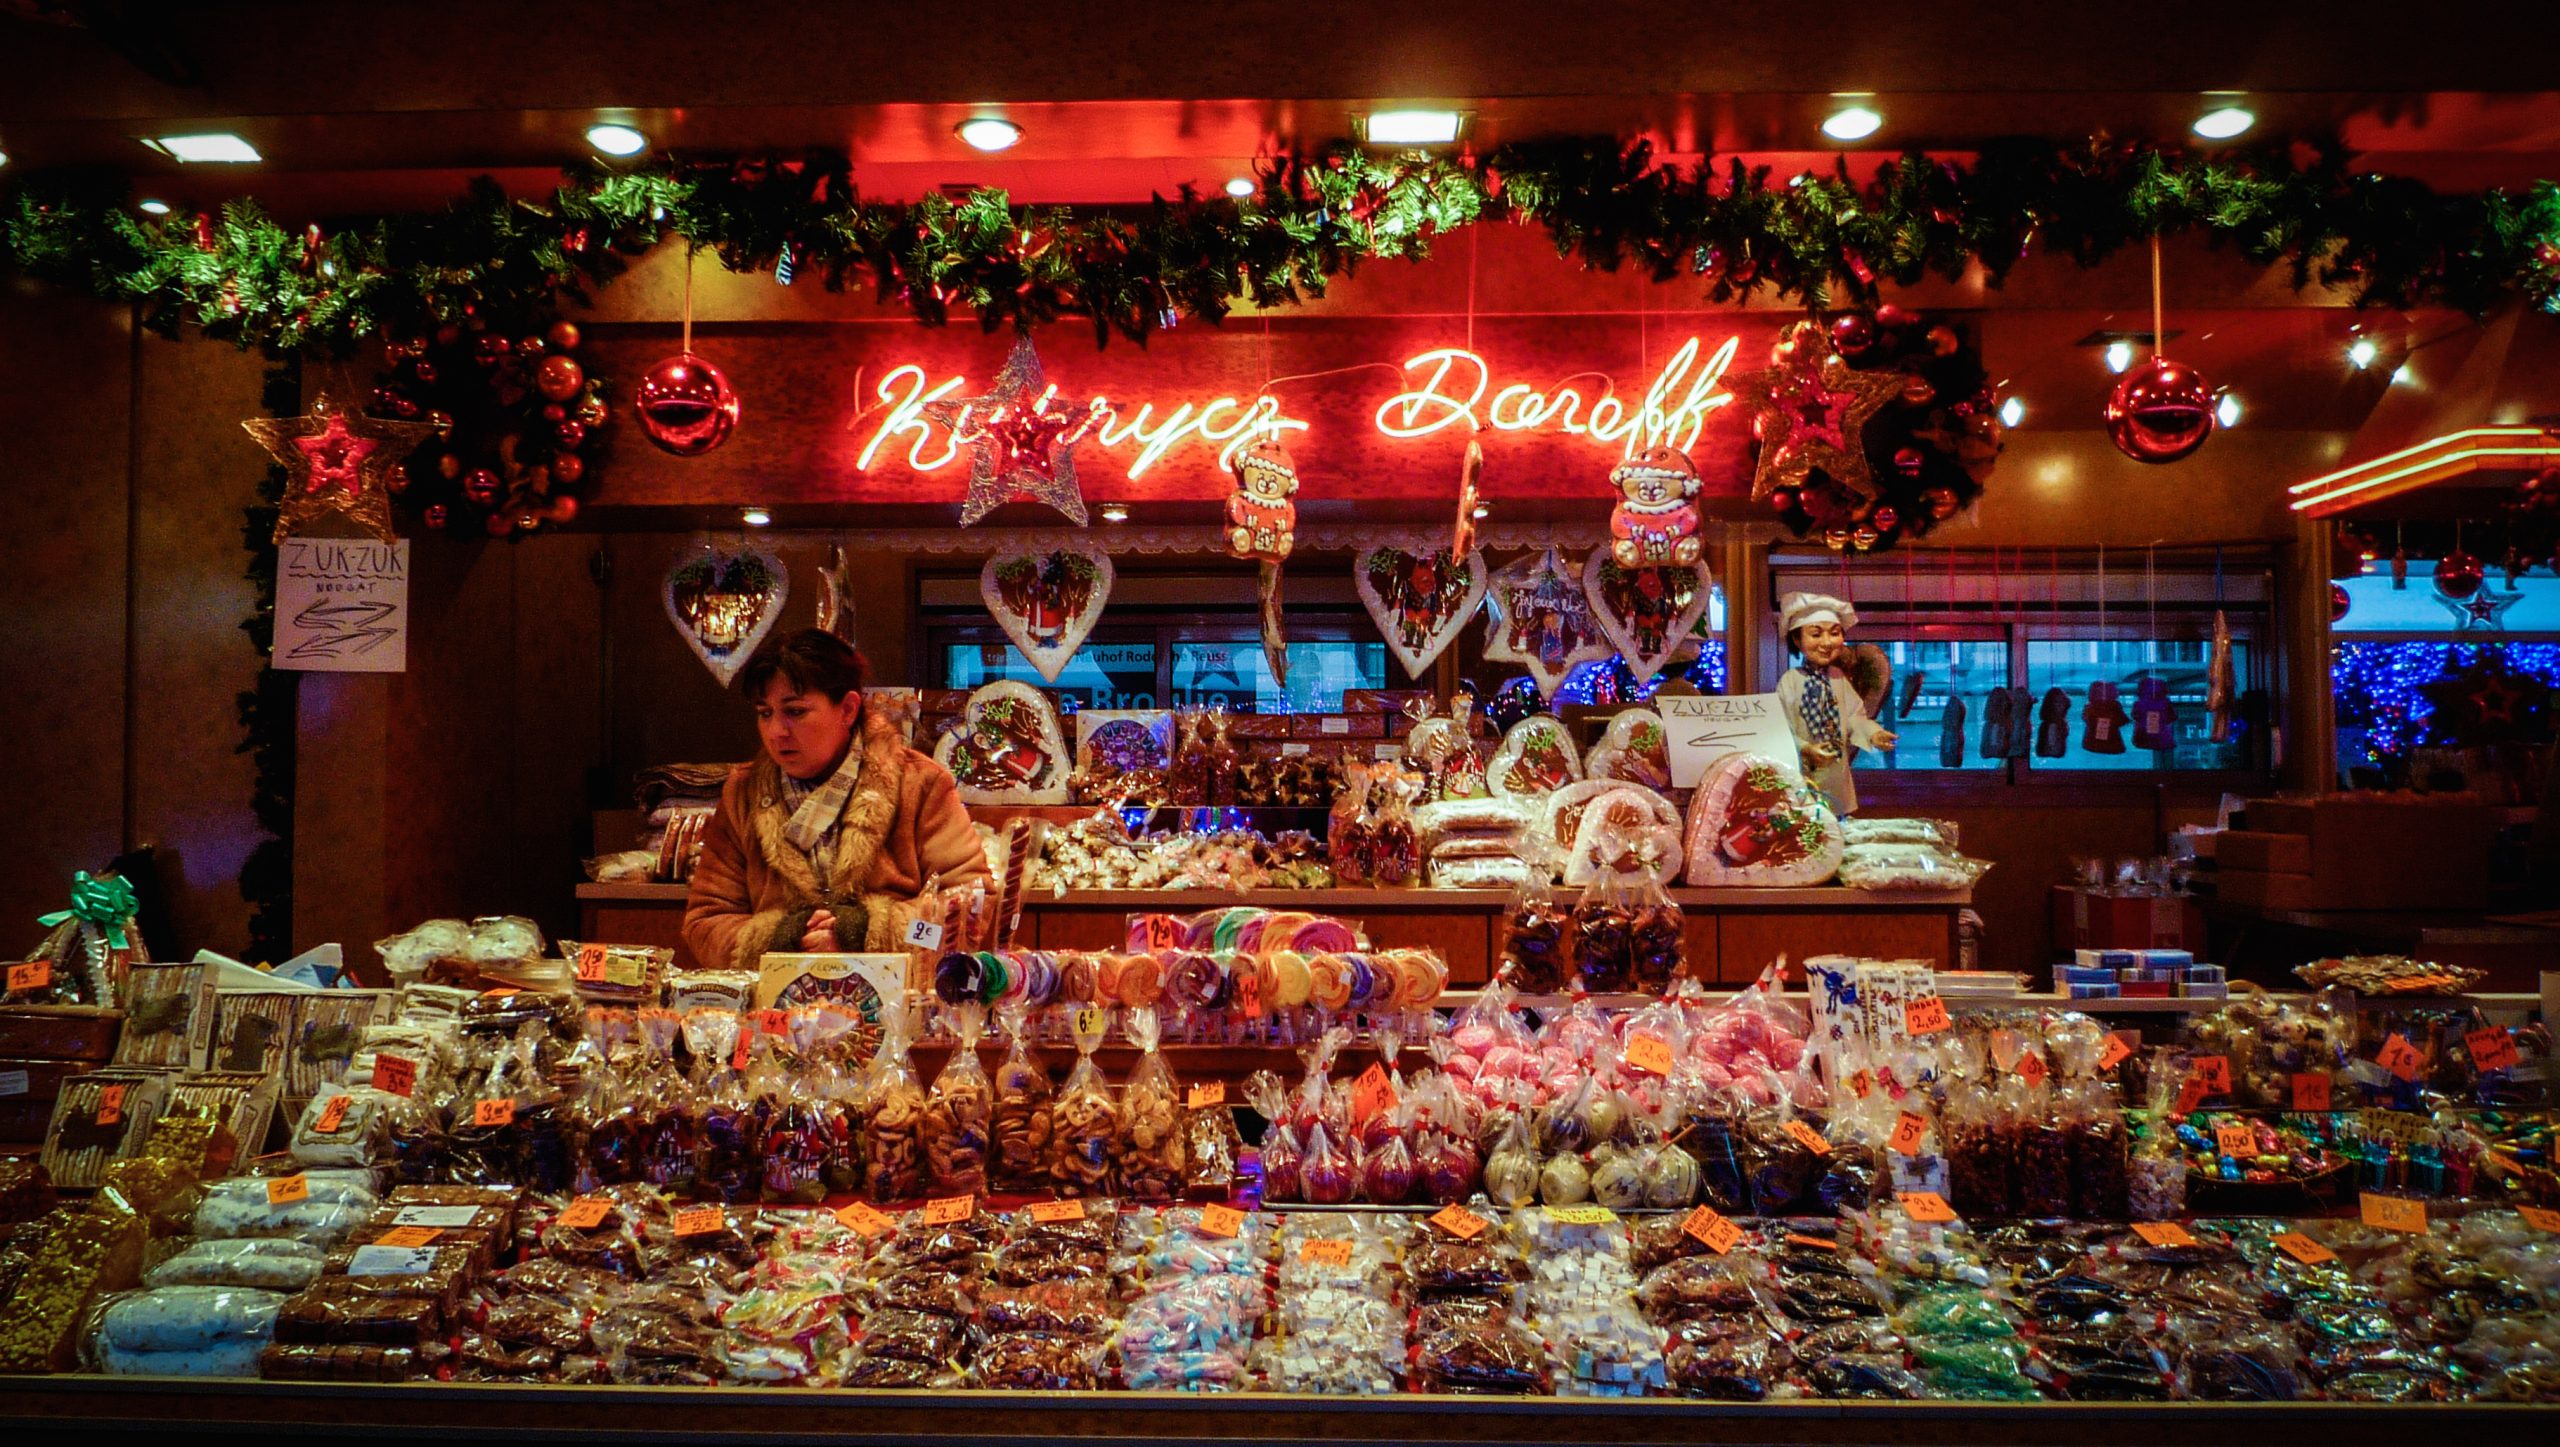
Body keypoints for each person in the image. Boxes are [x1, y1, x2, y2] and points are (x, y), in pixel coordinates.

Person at [683, 629, 989, 969]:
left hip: (895, 1006)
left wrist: (862, 931)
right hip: (778, 1012)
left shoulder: (919, 784)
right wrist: (784, 937)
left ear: (847, 708)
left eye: (795, 711)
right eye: (764, 712)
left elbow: (971, 907)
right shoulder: (743, 793)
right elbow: (704, 924)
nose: (776, 731)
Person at [1775, 592, 1895, 815]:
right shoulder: (1790, 681)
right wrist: (1805, 748)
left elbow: (1854, 717)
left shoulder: (1838, 678)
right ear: (1797, 639)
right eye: (1816, 634)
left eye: (1834, 633)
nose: (1827, 642)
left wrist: (1873, 733)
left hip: (1837, 779)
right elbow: (1780, 731)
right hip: (1801, 778)